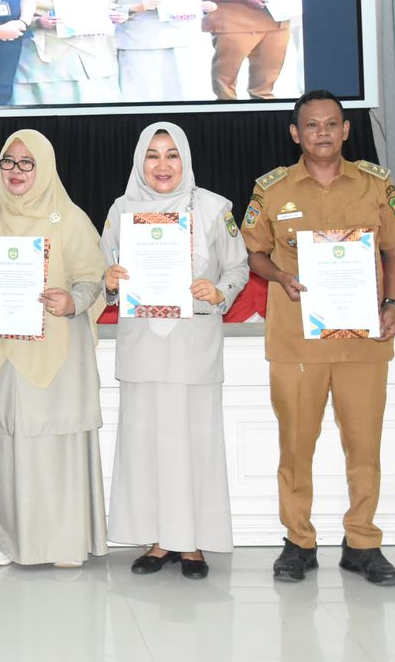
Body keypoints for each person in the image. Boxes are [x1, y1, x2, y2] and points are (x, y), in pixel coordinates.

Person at [242, 90, 395, 585]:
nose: (322, 132)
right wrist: (278, 275)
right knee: (296, 447)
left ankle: (362, 543)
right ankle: (298, 541)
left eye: (332, 123)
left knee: (364, 447)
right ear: (295, 134)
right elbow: (254, 253)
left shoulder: (375, 184)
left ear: (346, 130)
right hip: (296, 342)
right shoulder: (272, 189)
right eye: (312, 125)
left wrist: (392, 304)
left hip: (363, 341)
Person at [100, 123, 249, 578]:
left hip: (192, 348)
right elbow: (106, 271)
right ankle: (157, 540)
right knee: (146, 446)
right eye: (152, 155)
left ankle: (193, 544)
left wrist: (218, 291)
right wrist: (110, 282)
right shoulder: (121, 210)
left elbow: (238, 268)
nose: (162, 165)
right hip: (143, 347)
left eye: (171, 155)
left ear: (185, 159)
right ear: (139, 161)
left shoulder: (214, 208)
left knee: (194, 446)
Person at [0, 129, 107, 566]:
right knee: (5, 446)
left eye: (27, 162)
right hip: (2, 353)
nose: (16, 171)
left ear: (45, 167)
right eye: (8, 161)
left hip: (56, 351)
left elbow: (93, 277)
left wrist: (72, 300)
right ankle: (5, 540)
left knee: (55, 447)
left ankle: (63, 542)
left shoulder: (70, 218)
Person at [12, 0, 124, 105]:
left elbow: (102, 6)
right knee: (53, 96)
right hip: (48, 52)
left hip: (91, 49)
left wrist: (114, 14)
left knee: (93, 95)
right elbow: (9, 17)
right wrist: (38, 22)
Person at [113, 0, 214, 101]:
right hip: (139, 44)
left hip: (178, 42)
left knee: (177, 91)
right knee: (142, 92)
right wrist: (135, 8)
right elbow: (101, 8)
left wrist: (203, 7)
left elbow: (187, 3)